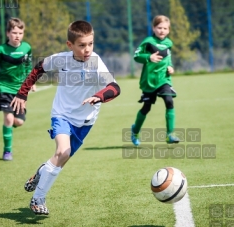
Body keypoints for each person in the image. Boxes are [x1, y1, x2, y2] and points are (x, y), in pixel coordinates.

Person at [10, 20, 120, 215]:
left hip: (85, 122)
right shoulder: (61, 59)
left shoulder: (96, 62)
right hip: (61, 115)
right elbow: (38, 68)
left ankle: (41, 172)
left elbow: (114, 87)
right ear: (70, 45)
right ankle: (38, 199)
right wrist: (22, 93)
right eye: (82, 45)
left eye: (90, 44)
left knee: (61, 159)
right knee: (63, 151)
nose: (87, 49)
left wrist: (99, 96)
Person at [0, 17, 35, 161]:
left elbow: (28, 67)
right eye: (14, 32)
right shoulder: (1, 50)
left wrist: (31, 82)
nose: (17, 36)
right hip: (4, 87)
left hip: (21, 90)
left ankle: (12, 124)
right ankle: (7, 151)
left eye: (20, 33)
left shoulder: (27, 48)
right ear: (7, 33)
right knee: (8, 118)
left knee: (19, 122)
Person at [130, 15, 179, 146]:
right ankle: (135, 131)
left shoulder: (169, 43)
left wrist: (171, 67)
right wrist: (148, 57)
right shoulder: (148, 41)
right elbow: (136, 56)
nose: (162, 30)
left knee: (169, 101)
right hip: (149, 81)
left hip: (163, 79)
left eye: (165, 28)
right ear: (153, 28)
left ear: (168, 30)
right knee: (146, 108)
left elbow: (168, 58)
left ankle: (170, 135)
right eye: (159, 28)